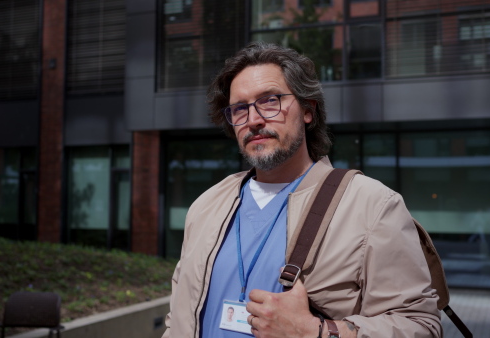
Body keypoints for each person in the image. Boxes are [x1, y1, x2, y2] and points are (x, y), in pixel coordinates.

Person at [163, 42, 441, 338]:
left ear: (308, 110)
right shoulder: (207, 205)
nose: (254, 120)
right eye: (240, 108)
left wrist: (315, 331)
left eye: (270, 101)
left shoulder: (372, 205)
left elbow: (421, 326)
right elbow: (178, 315)